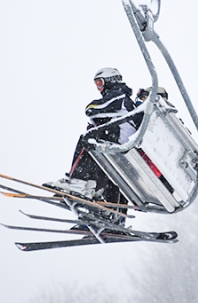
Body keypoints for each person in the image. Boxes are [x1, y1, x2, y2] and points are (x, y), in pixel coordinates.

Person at [44, 67, 142, 205]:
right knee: (107, 168)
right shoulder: (124, 99)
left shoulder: (118, 95)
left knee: (87, 140)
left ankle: (78, 181)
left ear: (110, 80)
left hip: (120, 142)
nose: (99, 89)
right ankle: (101, 197)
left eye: (100, 83)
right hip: (125, 147)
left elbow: (91, 109)